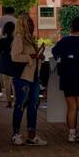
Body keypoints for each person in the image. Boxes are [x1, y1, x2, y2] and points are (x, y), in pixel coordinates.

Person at [9, 12, 47, 146]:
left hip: (34, 77)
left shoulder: (30, 38)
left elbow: (32, 56)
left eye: (32, 23)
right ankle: (16, 134)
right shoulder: (19, 38)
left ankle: (32, 135)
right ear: (23, 25)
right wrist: (31, 57)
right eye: (29, 23)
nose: (32, 25)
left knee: (33, 105)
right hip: (23, 77)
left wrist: (39, 57)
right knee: (20, 105)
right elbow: (15, 57)